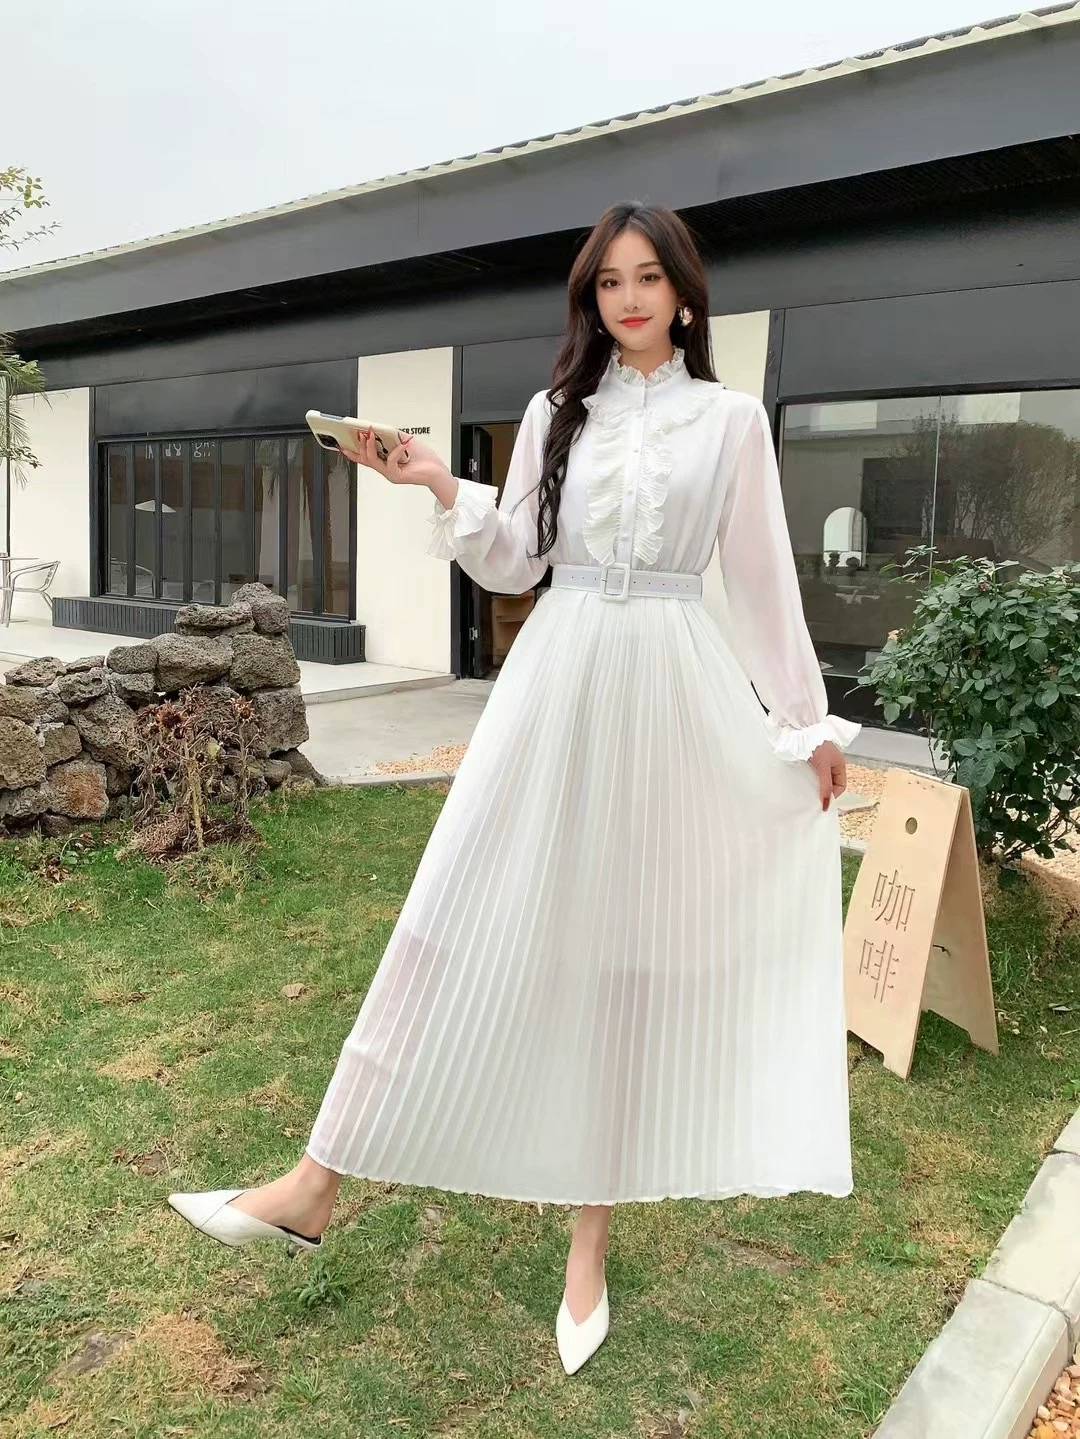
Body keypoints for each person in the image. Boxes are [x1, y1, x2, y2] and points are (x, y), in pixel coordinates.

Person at [168, 200, 861, 1376]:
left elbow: (759, 582)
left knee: (626, 956)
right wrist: (437, 481)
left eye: (647, 278)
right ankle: (314, 1181)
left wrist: (804, 723)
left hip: (670, 688)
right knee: (449, 911)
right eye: (608, 282)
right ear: (591, 298)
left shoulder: (732, 420)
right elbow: (515, 557)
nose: (628, 299)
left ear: (684, 294)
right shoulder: (557, 410)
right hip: (556, 681)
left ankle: (589, 1244)